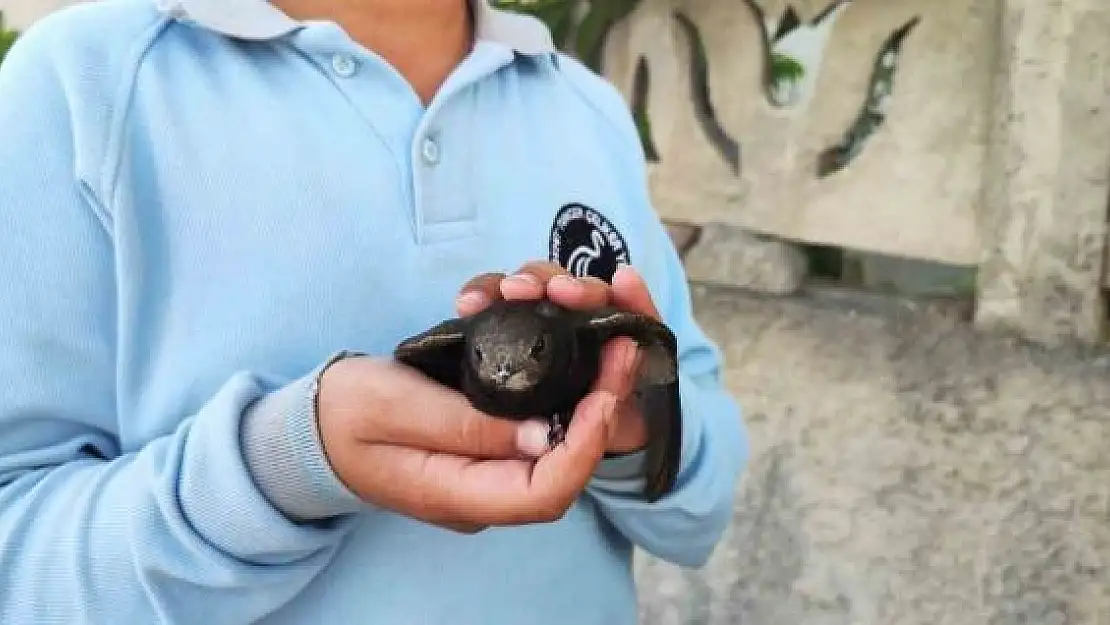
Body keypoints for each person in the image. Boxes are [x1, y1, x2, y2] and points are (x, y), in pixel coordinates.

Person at [0, 0, 749, 622]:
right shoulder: (85, 85)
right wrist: (286, 466)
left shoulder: (585, 110)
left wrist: (624, 422)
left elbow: (702, 511)